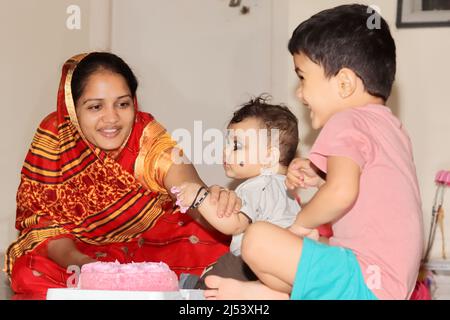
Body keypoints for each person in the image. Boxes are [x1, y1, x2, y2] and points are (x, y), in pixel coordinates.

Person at [204, 4, 423, 300]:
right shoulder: (392, 128)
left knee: (258, 237)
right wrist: (320, 181)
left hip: (365, 278)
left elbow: (343, 192)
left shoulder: (347, 120)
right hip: (388, 282)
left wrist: (298, 225)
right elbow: (372, 192)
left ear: (344, 83)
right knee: (314, 241)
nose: (299, 93)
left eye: (303, 77)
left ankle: (266, 296)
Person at [4, 52, 241, 299]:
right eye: (96, 107)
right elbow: (47, 228)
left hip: (149, 245)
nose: (112, 118)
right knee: (30, 272)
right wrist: (88, 267)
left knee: (215, 239)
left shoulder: (146, 137)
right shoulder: (55, 138)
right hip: (77, 254)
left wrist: (209, 200)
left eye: (123, 104)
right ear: (72, 109)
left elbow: (184, 184)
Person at [173, 96, 301, 288]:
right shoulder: (287, 187)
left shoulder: (257, 185)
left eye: (236, 146)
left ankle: (195, 287)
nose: (225, 151)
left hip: (253, 266)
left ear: (269, 156)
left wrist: (199, 197)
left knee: (222, 270)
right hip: (287, 268)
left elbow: (234, 225)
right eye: (227, 143)